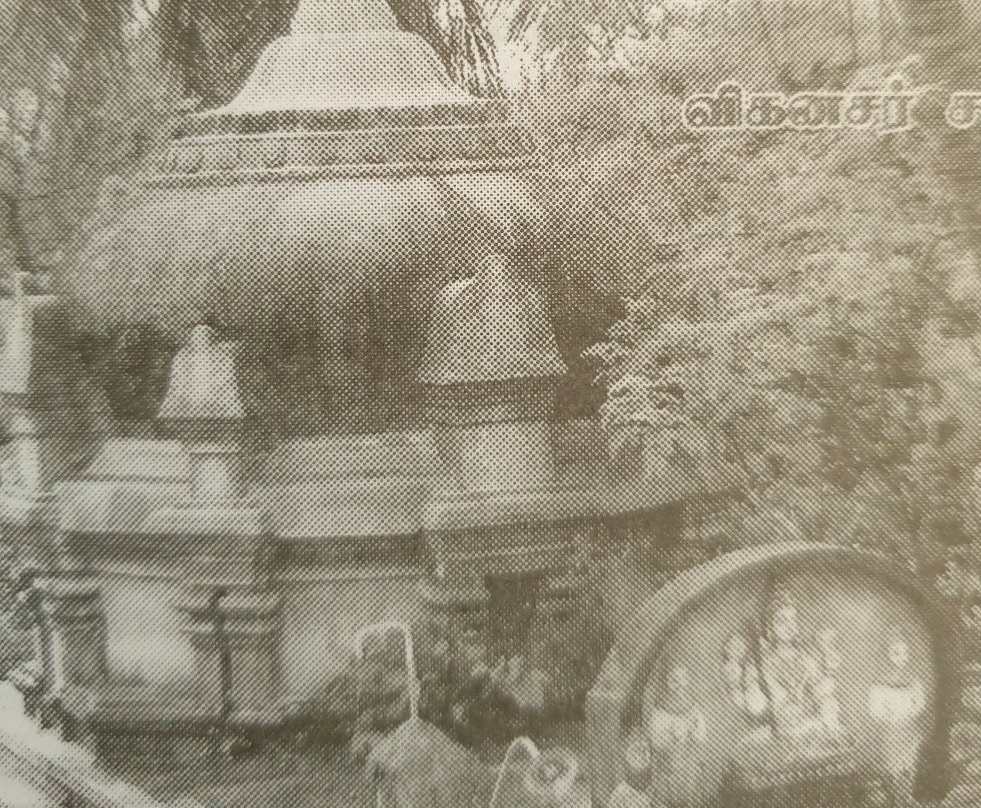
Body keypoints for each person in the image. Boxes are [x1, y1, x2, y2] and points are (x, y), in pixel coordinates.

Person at [868, 630, 926, 804]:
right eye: (896, 653)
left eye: (905, 653)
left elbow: (920, 703)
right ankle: (896, 800)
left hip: (909, 729)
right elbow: (874, 710)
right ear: (886, 654)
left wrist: (910, 711)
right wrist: (888, 715)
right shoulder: (879, 683)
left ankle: (907, 798)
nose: (901, 658)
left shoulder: (913, 680)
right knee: (893, 768)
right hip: (891, 732)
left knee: (909, 765)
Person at [645, 663, 706, 808]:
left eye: (683, 678)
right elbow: (655, 742)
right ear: (666, 682)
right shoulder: (659, 712)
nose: (679, 684)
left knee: (690, 798)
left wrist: (692, 731)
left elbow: (701, 736)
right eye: (674, 679)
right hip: (666, 770)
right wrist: (672, 735)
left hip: (689, 767)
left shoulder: (694, 708)